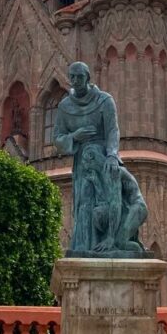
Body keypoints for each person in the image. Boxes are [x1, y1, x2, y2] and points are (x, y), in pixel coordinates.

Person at [53, 62, 148, 256]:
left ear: (87, 77)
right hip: (82, 162)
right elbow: (58, 139)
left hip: (104, 156)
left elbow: (113, 131)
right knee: (84, 203)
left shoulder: (104, 101)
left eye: (80, 76)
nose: (76, 81)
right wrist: (74, 137)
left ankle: (110, 241)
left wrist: (112, 156)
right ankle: (84, 248)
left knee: (107, 200)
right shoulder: (64, 107)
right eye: (72, 77)